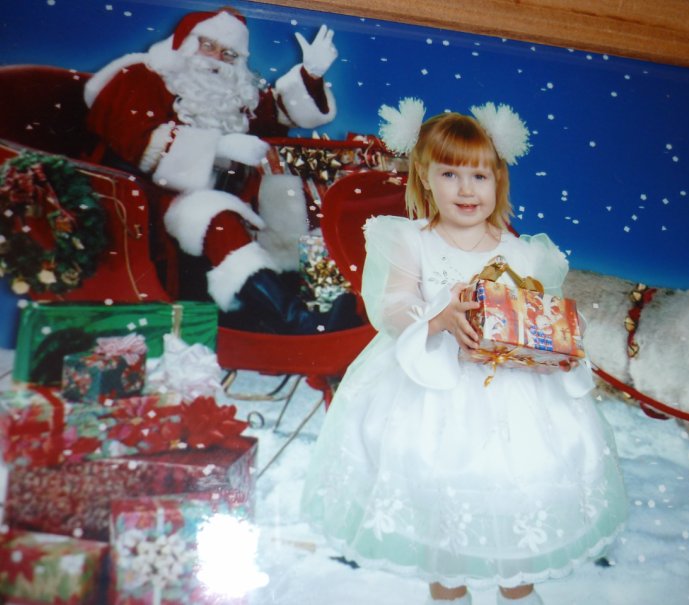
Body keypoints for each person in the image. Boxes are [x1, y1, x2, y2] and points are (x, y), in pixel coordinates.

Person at [301, 99, 628, 604]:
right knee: (441, 514)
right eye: (449, 174)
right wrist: (437, 319)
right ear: (424, 177)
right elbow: (391, 308)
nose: (466, 189)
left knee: (515, 503)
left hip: (515, 399)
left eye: (479, 175)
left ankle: (517, 591)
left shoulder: (522, 252)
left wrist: (559, 329)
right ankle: (449, 591)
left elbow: (542, 312)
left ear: (498, 180)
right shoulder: (411, 240)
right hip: (431, 392)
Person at [83, 7, 358, 333]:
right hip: (147, 194)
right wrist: (217, 147)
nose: (216, 58)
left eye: (229, 53)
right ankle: (294, 321)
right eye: (208, 45)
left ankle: (308, 299)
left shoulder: (229, 93)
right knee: (213, 215)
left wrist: (310, 74)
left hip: (214, 191)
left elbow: (273, 113)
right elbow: (134, 138)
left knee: (284, 195)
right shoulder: (141, 75)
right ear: (186, 43)